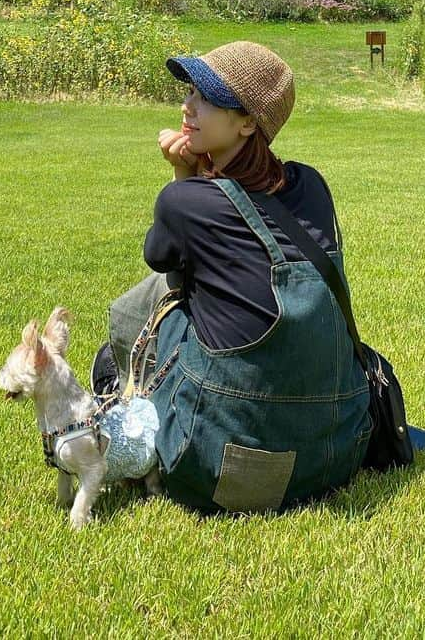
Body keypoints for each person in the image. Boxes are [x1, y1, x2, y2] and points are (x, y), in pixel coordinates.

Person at [96, 40, 371, 513]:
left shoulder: (186, 202)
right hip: (336, 452)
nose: (187, 106)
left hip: (221, 465)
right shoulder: (311, 184)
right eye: (188, 93)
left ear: (248, 123)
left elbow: (170, 269)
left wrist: (183, 175)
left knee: (123, 339)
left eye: (205, 97)